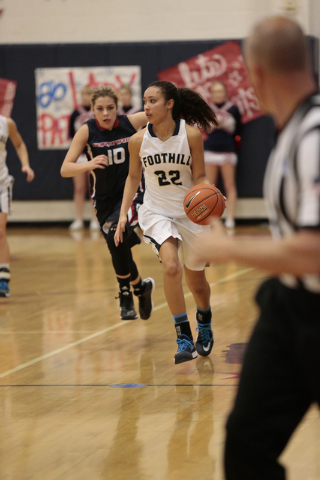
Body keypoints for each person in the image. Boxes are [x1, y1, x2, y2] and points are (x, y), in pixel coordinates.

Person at [192, 16, 320, 480]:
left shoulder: (314, 136)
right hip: (289, 308)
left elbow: (314, 251)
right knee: (246, 446)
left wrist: (227, 247)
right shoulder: (290, 131)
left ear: (256, 74)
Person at [115, 80, 218, 364]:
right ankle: (183, 335)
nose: (146, 107)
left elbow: (199, 175)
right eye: (144, 101)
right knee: (171, 266)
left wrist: (207, 190)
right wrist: (124, 213)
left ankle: (204, 320)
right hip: (157, 212)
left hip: (191, 214)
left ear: (169, 104)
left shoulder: (191, 135)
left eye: (152, 101)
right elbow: (133, 178)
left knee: (197, 283)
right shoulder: (138, 140)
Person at [61, 85, 154, 321]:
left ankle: (125, 296)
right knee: (118, 243)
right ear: (92, 110)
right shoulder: (86, 131)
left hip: (131, 193)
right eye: (100, 109)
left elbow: (164, 110)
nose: (106, 113)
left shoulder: (130, 122)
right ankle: (141, 287)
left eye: (110, 108)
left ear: (117, 108)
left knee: (116, 234)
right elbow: (65, 168)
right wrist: (88, 164)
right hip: (103, 200)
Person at [0, 115, 34, 297]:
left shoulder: (6, 123)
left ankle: (3, 279)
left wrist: (26, 165)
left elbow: (19, 144)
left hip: (1, 184)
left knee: (1, 231)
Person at [203, 81, 241, 230]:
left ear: (225, 93)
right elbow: (204, 128)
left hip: (227, 151)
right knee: (210, 188)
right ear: (211, 94)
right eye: (215, 91)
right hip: (210, 150)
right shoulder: (206, 109)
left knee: (229, 185)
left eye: (221, 91)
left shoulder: (233, 109)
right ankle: (211, 219)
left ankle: (230, 218)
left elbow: (238, 131)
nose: (218, 94)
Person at [68, 86, 100, 231]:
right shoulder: (75, 113)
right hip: (80, 157)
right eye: (84, 96)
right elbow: (71, 135)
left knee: (94, 188)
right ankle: (79, 219)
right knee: (79, 188)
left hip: (94, 155)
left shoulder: (97, 112)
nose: (86, 98)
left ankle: (95, 219)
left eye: (88, 96)